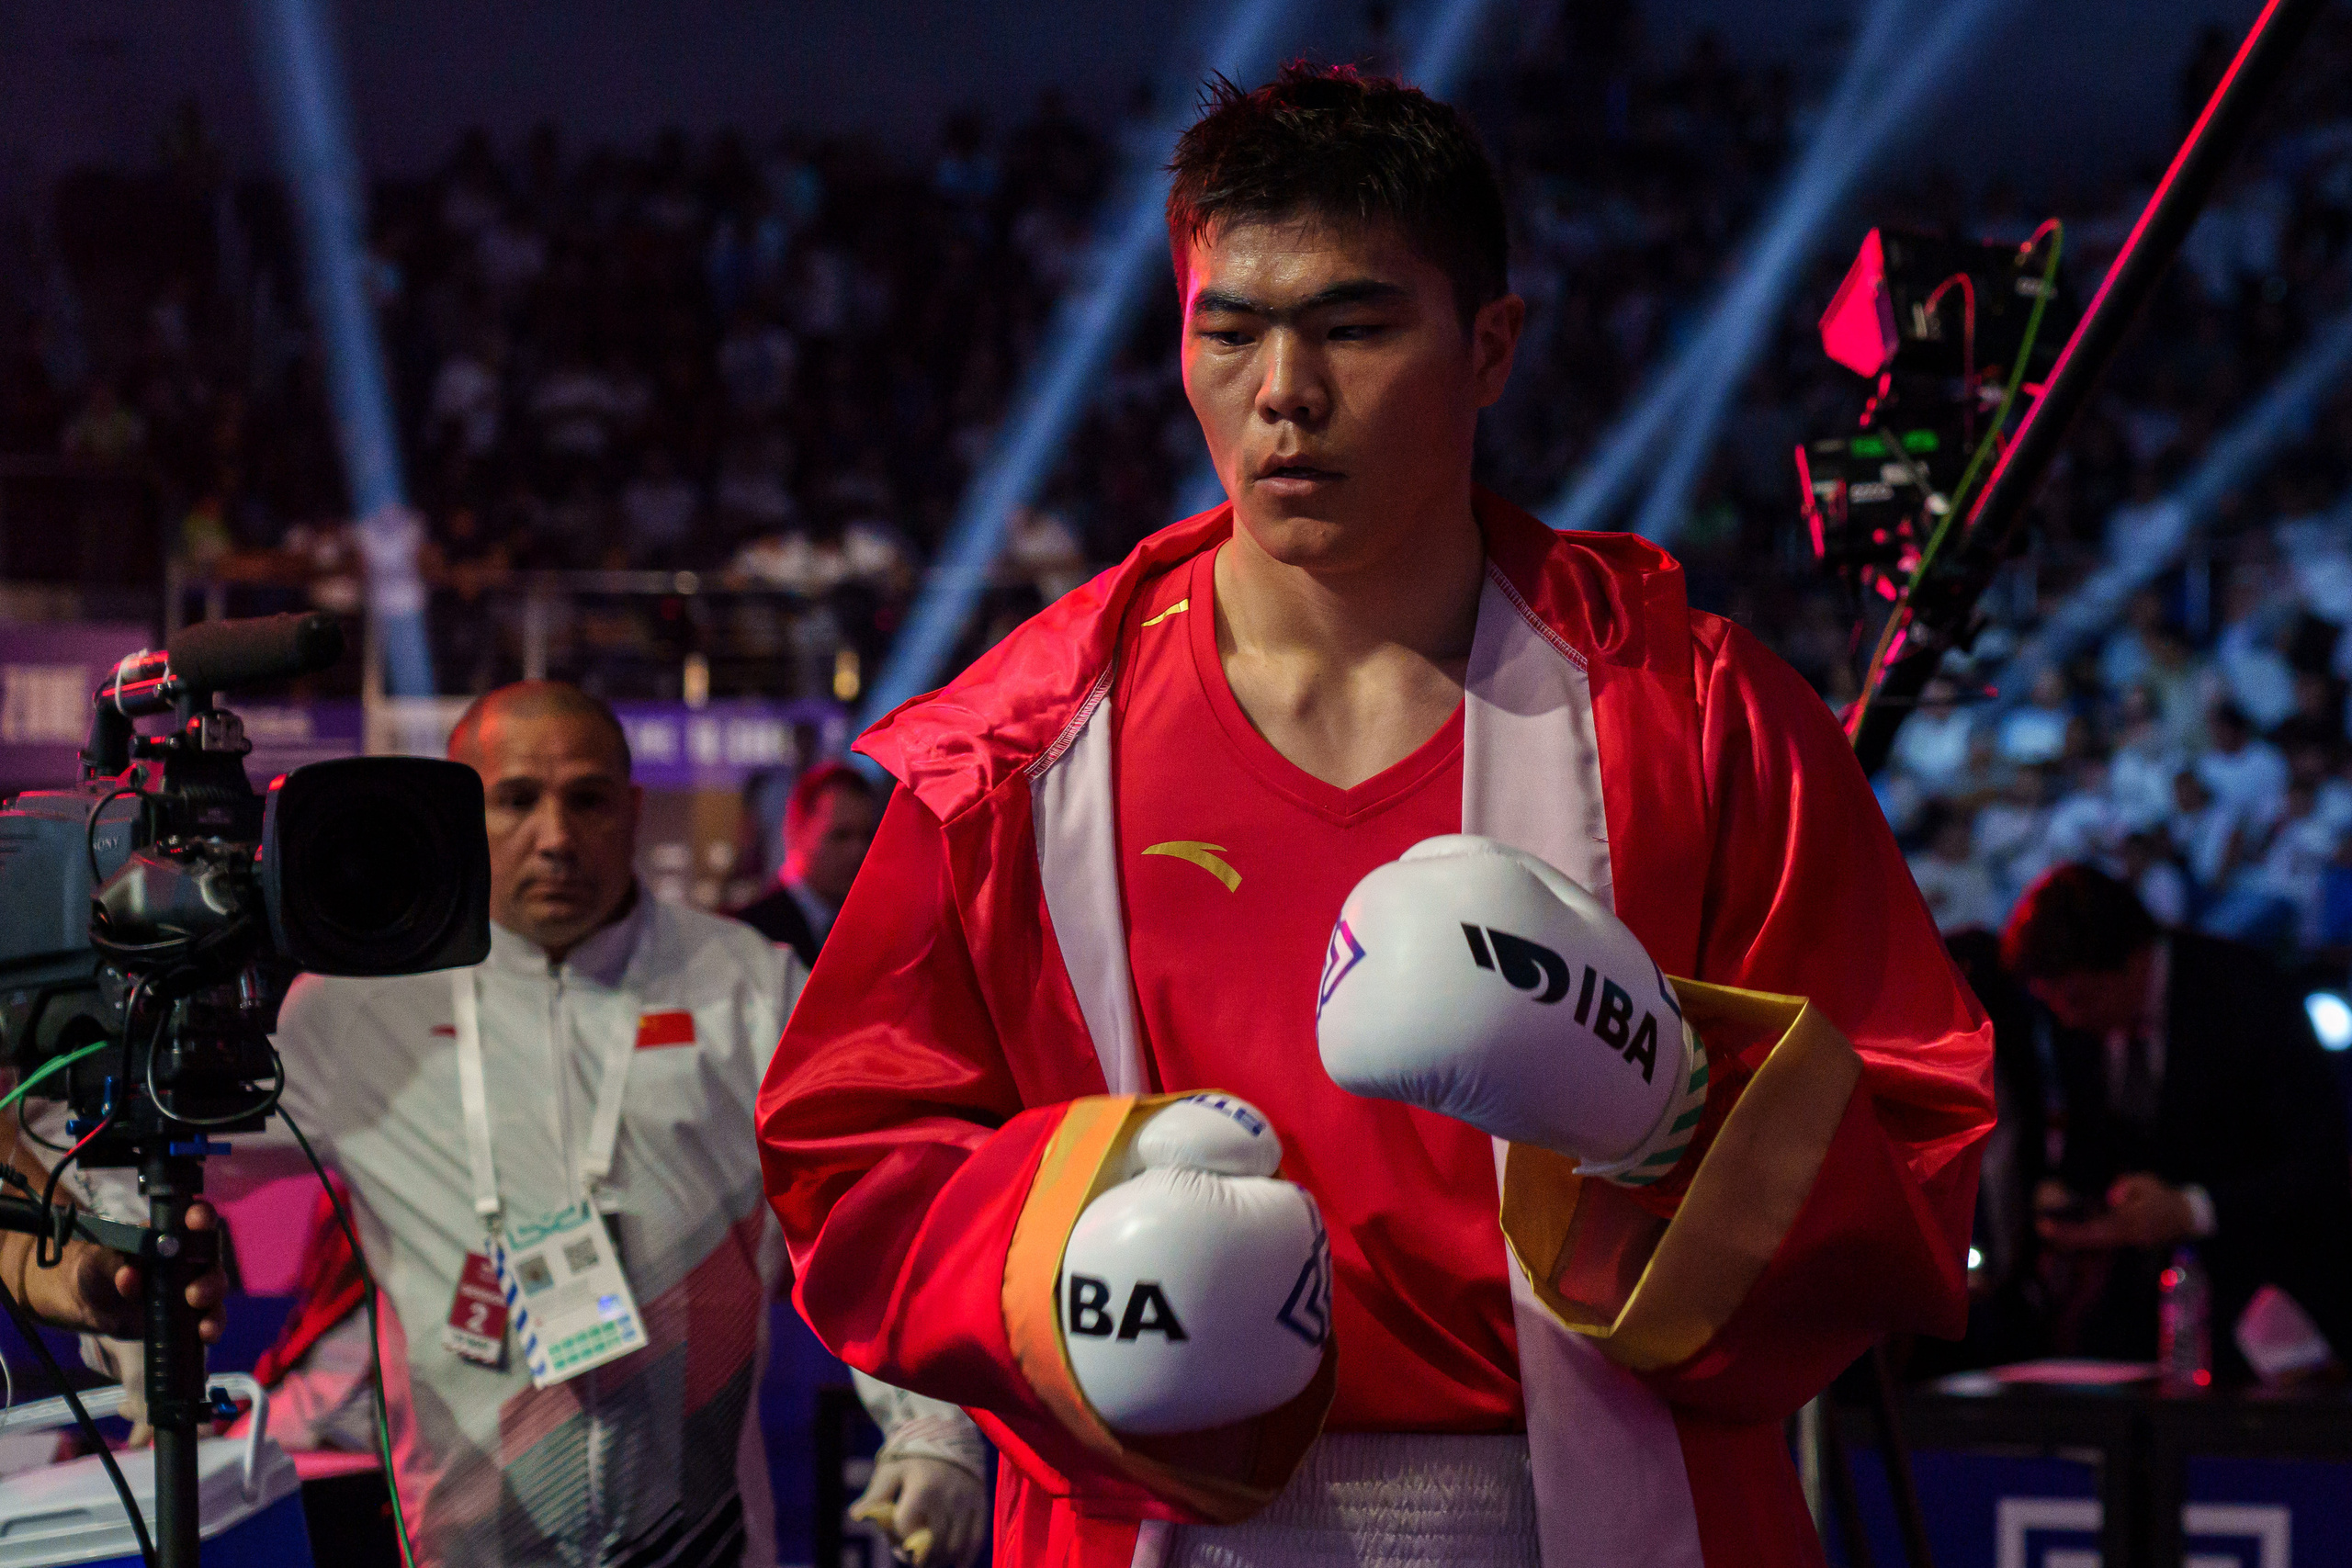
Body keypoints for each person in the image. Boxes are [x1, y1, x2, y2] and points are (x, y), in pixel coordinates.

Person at [758, 67, 1991, 1568]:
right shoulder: (1015, 756)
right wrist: (1063, 1242)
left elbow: (1920, 1155)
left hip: (1607, 1518)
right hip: (1149, 1528)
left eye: (1352, 325)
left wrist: (1677, 1105)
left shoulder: (1696, 718)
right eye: (1231, 330)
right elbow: (847, 1161)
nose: (1285, 390)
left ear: (1489, 344)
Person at [200, 682, 982, 1568]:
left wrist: (929, 1426)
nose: (557, 838)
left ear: (635, 809)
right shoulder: (356, 1008)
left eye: (588, 799)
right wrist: (100, 1267)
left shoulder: (749, 986)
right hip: (464, 1546)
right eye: (516, 799)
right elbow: (164, 1148)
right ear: (458, 810)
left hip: (706, 1544)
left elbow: (865, 1217)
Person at [2002, 863, 2352, 1380]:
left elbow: (2316, 1162)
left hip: (2273, 1294)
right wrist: (2077, 1203)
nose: (2068, 1018)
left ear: (2134, 960)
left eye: (2076, 998)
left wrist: (2192, 1209)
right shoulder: (2080, 1022)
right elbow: (2097, 1148)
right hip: (2146, 1303)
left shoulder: (2243, 992)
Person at [729, 761, 882, 967]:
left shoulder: (875, 933)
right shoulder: (751, 932)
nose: (859, 851)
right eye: (840, 835)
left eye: (868, 836)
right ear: (797, 830)